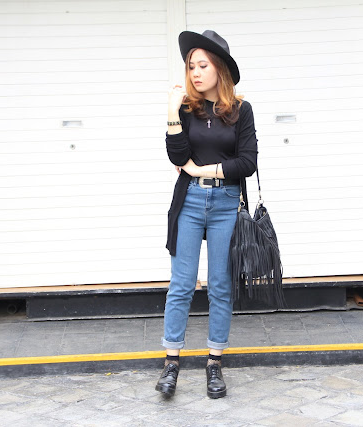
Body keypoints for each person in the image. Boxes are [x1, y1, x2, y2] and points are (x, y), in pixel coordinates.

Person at [156, 30, 258, 399]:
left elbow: (247, 163)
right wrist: (172, 111)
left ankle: (214, 363)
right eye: (191, 66)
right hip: (190, 202)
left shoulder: (241, 110)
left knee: (219, 285)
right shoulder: (187, 109)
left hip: (226, 202)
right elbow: (176, 155)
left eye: (203, 65)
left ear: (219, 69)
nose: (195, 72)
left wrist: (204, 169)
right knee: (182, 284)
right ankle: (171, 363)